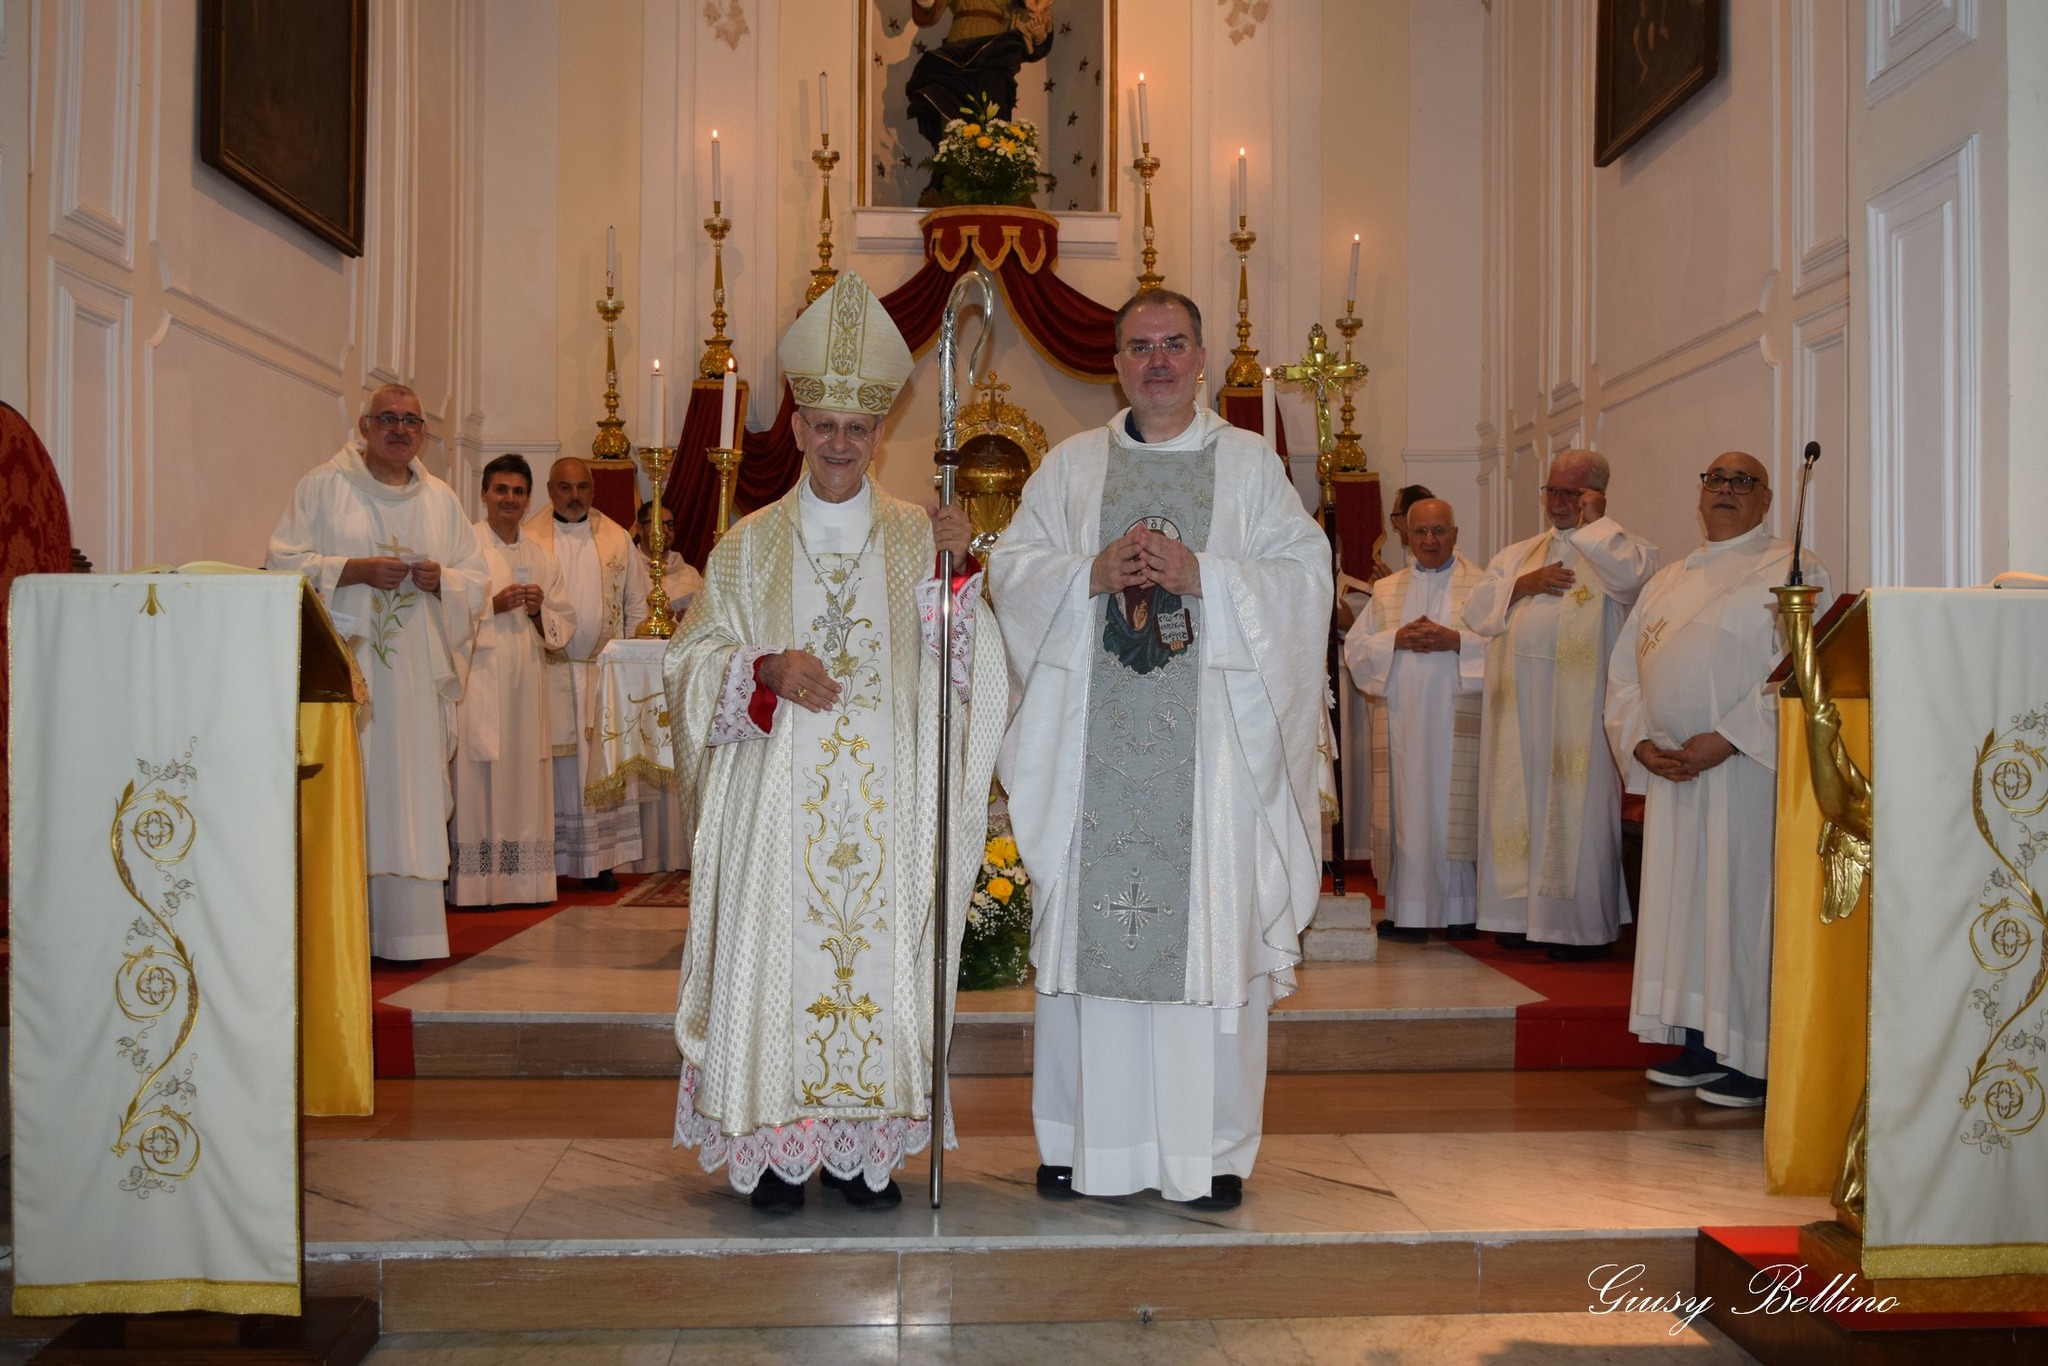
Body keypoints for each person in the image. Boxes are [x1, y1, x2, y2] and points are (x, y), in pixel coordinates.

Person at [664, 273, 1008, 1212]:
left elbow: (963, 674)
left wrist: (959, 574)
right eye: (825, 424)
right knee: (781, 961)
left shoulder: (916, 537)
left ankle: (866, 1155)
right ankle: (776, 1150)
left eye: (859, 428)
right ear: (803, 427)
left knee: (878, 960)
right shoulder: (749, 545)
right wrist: (764, 669)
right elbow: (689, 662)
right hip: (778, 812)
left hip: (887, 807)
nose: (842, 442)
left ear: (878, 435)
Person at [991, 290, 1330, 1211]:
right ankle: (1075, 1142)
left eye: (1174, 344)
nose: (1158, 362)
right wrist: (1088, 574)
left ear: (1203, 353)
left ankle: (1208, 1154)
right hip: (1092, 753)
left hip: (1210, 765)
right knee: (1083, 945)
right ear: (1115, 362)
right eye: (1139, 347)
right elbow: (1011, 570)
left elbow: (1307, 583)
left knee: (1206, 949)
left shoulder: (1252, 468)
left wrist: (1207, 577)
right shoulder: (1070, 470)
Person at [1605, 452, 1830, 1108]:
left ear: (1765, 501)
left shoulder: (1791, 569)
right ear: (1699, 493)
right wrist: (1641, 740)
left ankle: (1754, 1058)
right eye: (1715, 480)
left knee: (1739, 904)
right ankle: (1700, 1042)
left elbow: (1795, 669)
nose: (1726, 491)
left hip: (1744, 773)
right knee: (1685, 909)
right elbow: (1623, 676)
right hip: (1675, 771)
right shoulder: (1669, 578)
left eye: (1744, 482)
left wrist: (1727, 739)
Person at [266, 383, 487, 961]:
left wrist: (445, 582)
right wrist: (352, 570)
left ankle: (409, 933)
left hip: (415, 679)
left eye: (413, 422)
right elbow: (280, 564)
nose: (401, 429)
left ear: (423, 435)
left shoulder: (441, 500)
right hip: (349, 672)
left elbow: (476, 575)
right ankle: (341, 936)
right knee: (354, 783)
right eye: (387, 418)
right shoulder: (322, 486)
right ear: (364, 426)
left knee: (409, 789)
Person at [1463, 450, 1658, 960]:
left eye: (1572, 493)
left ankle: (1576, 928)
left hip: (1582, 711)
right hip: (1517, 706)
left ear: (1597, 495)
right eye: (1552, 490)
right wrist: (1522, 585)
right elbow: (1478, 613)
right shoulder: (1519, 555)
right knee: (1518, 802)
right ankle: (1517, 916)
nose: (1558, 502)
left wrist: (1595, 526)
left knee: (1579, 812)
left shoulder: (1623, 548)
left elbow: (1633, 582)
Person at [1344, 498, 1485, 944]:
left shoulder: (1484, 587)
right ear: (1407, 535)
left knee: (1455, 809)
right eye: (1420, 531)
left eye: (1439, 531)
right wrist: (1396, 639)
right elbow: (1356, 649)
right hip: (1403, 723)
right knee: (1407, 810)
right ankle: (1409, 912)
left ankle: (1464, 911)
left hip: (1458, 721)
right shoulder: (1386, 592)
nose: (1429, 540)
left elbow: (1504, 646)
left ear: (1455, 534)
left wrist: (1457, 640)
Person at [448, 455, 575, 907]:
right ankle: (478, 886)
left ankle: (525, 883)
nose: (510, 499)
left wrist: (540, 610)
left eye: (518, 492)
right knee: (480, 775)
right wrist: (491, 608)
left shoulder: (540, 556)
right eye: (501, 490)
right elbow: (442, 613)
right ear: (483, 494)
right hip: (480, 683)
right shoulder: (465, 551)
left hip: (526, 687)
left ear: (528, 499)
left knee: (523, 771)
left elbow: (565, 623)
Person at [523, 457, 651, 890]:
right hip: (548, 670)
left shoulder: (617, 538)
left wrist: (628, 660)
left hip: (602, 671)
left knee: (600, 767)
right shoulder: (530, 539)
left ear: (593, 490)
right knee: (557, 770)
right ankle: (554, 861)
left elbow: (638, 603)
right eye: (564, 487)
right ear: (549, 489)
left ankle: (601, 860)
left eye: (582, 487)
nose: (574, 496)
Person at [906, 0, 1055, 201]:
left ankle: (994, 178)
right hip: (957, 53)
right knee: (946, 103)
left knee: (993, 113)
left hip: (995, 53)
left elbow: (1033, 19)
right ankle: (950, 179)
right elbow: (928, 6)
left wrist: (1039, 35)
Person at [625, 499, 704, 873]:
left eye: (670, 524)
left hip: (677, 678)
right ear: (640, 527)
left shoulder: (689, 574)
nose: (664, 532)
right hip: (637, 680)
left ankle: (677, 853)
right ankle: (636, 857)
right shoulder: (627, 567)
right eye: (656, 524)